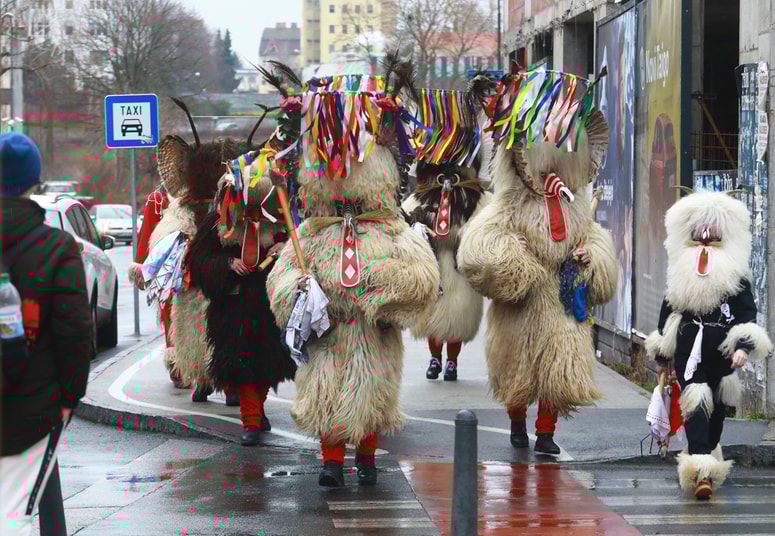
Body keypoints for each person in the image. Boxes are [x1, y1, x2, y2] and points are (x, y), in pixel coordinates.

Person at [267, 62, 441, 488]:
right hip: (328, 333)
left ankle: (365, 458)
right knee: (326, 396)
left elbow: (422, 279)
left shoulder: (392, 227)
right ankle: (330, 460)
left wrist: (383, 283)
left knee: (369, 396)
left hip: (371, 333)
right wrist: (298, 291)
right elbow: (279, 280)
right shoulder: (309, 231)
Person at [457, 68, 617, 454]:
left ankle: (546, 433)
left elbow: (596, 244)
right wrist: (514, 259)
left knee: (556, 370)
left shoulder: (576, 204)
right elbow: (478, 249)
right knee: (518, 370)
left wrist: (589, 257)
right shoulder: (508, 203)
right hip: (521, 307)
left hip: (561, 302)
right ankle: (516, 421)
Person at [646, 190, 773, 499]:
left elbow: (746, 313)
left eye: (711, 231)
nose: (704, 236)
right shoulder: (681, 271)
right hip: (690, 350)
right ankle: (701, 472)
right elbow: (669, 311)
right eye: (698, 230)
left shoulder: (735, 275)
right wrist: (663, 351)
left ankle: (704, 452)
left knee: (716, 415)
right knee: (696, 402)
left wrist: (743, 347)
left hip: (723, 355)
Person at [0, 133, 92, 535]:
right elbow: (75, 335)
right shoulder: (58, 248)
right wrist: (69, 399)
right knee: (32, 504)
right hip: (36, 408)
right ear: (34, 181)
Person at [187, 147, 297, 446]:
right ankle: (250, 420)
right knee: (243, 366)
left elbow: (300, 249)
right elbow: (199, 263)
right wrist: (226, 264)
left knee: (267, 366)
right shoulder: (216, 224)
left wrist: (283, 250)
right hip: (233, 308)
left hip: (269, 305)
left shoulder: (279, 221)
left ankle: (256, 411)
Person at [401, 83, 492, 382]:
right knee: (433, 318)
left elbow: (484, 224)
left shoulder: (474, 200)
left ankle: (451, 361)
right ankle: (434, 359)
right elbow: (407, 223)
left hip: (458, 267)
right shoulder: (422, 199)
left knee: (457, 316)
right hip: (435, 266)